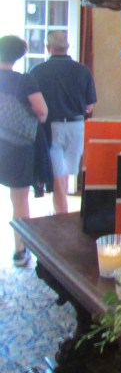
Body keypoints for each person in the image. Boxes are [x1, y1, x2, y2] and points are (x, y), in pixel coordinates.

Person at [30, 30, 97, 214]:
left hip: (51, 126)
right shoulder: (83, 71)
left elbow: (33, 104)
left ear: (48, 47)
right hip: (77, 126)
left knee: (57, 176)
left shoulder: (37, 71)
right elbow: (90, 106)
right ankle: (61, 211)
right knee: (64, 174)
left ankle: (61, 215)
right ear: (67, 47)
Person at [0, 35, 48, 266]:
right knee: (19, 199)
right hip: (17, 147)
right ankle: (20, 250)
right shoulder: (23, 81)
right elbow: (42, 111)